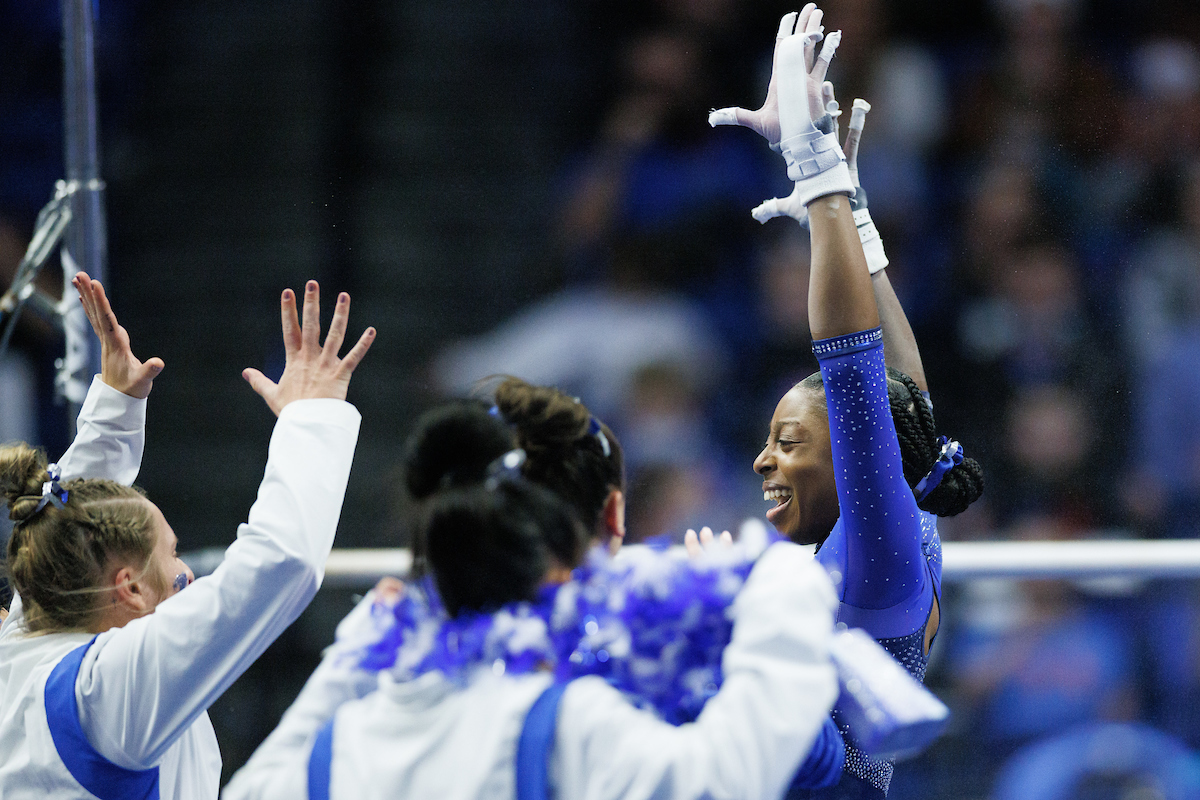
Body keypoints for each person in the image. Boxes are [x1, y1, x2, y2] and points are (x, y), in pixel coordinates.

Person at [223, 401, 841, 800]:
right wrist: (775, 582)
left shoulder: (345, 739)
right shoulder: (564, 720)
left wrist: (357, 647)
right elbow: (725, 779)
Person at [709, 7, 983, 797]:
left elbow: (861, 384)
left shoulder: (878, 560)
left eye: (789, 442)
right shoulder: (893, 534)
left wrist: (815, 167)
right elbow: (903, 398)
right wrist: (851, 216)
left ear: (855, 459)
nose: (762, 459)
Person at [0, 273, 374, 798]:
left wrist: (114, 410)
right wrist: (312, 415)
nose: (189, 573)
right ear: (129, 587)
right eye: (173, 554)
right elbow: (279, 562)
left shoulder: (24, 639)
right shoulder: (109, 693)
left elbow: (63, 521)